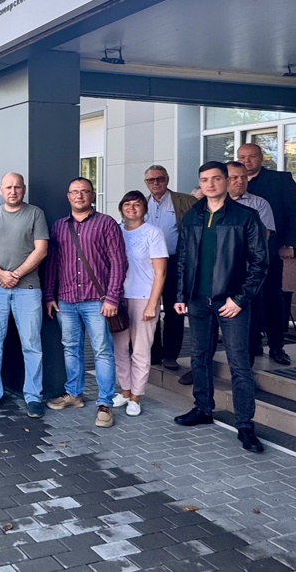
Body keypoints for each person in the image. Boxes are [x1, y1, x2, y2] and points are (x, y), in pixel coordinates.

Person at [173, 161, 270, 453]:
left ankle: (245, 425)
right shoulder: (193, 215)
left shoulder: (246, 216)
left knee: (239, 364)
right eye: (205, 180)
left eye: (216, 178)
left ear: (227, 181)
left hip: (231, 302)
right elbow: (183, 259)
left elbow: (259, 263)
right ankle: (203, 408)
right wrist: (181, 295)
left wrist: (240, 299)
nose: (210, 184)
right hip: (197, 300)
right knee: (199, 357)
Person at [44, 177, 128, 429]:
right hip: (67, 300)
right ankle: (74, 394)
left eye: (84, 192)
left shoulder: (106, 223)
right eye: (75, 192)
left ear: (92, 195)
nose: (79, 196)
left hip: (97, 301)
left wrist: (112, 297)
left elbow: (119, 262)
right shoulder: (59, 227)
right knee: (71, 348)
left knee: (102, 351)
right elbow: (52, 264)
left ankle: (105, 403)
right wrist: (49, 295)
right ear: (68, 196)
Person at [0, 172, 49, 417]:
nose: (13, 191)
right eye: (8, 187)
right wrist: (0, 274)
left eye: (17, 187)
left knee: (32, 345)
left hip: (27, 289)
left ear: (23, 189)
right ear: (1, 190)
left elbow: (41, 250)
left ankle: (33, 396)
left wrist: (15, 274)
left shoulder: (35, 214)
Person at [239, 143, 296, 366]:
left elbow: (295, 212)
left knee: (271, 297)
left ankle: (277, 345)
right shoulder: (233, 181)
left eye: (252, 156)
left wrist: (289, 244)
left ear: (262, 158)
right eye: (242, 157)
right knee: (247, 298)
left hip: (271, 250)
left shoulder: (280, 180)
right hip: (239, 256)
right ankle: (253, 341)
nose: (247, 161)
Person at [112, 190, 168, 417]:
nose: (132, 208)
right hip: (118, 297)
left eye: (137, 204)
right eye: (127, 204)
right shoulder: (115, 230)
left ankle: (136, 396)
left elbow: (161, 272)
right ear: (121, 208)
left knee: (141, 350)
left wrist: (153, 304)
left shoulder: (153, 233)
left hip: (144, 297)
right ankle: (125, 391)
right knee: (119, 349)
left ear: (145, 209)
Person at [143, 165, 196, 375]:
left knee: (175, 308)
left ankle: (170, 355)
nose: (156, 183)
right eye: (151, 180)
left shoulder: (185, 201)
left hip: (175, 262)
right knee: (151, 308)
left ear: (167, 179)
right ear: (146, 183)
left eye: (160, 179)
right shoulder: (141, 203)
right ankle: (154, 352)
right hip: (148, 265)